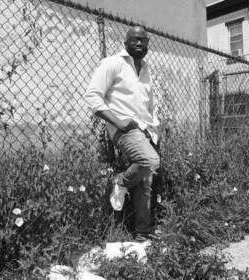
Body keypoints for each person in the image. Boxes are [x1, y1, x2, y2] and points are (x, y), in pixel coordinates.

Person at [84, 26, 160, 240]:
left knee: (146, 182)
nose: (139, 43)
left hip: (147, 130)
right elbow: (92, 96)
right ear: (126, 42)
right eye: (135, 39)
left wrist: (156, 127)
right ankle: (121, 182)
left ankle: (143, 233)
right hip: (124, 128)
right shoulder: (113, 63)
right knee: (150, 161)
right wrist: (118, 122)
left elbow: (150, 104)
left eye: (144, 40)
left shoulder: (146, 69)